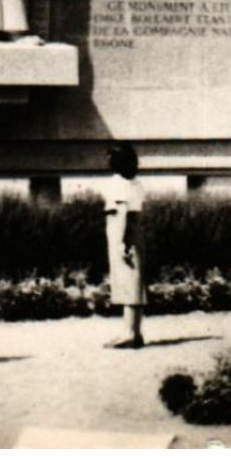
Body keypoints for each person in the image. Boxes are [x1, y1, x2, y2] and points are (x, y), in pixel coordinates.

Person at [103, 144, 146, 349]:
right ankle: (135, 332)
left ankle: (128, 334)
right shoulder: (136, 183)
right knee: (135, 283)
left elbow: (122, 214)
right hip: (135, 231)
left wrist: (122, 243)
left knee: (129, 283)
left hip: (122, 232)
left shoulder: (117, 183)